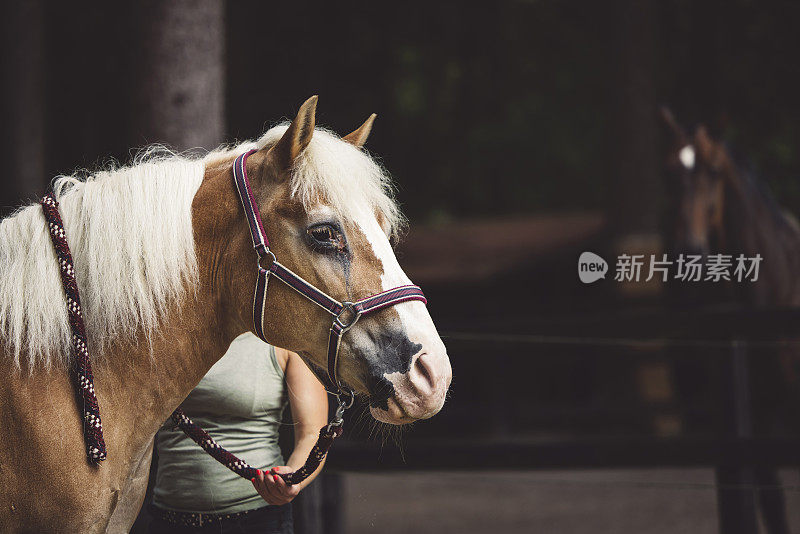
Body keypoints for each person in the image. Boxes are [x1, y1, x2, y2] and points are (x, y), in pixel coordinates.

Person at [147, 332, 329, 533]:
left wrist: (293, 478)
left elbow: (312, 433)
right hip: (167, 520)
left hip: (256, 521)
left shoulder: (285, 340)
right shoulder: (164, 332)